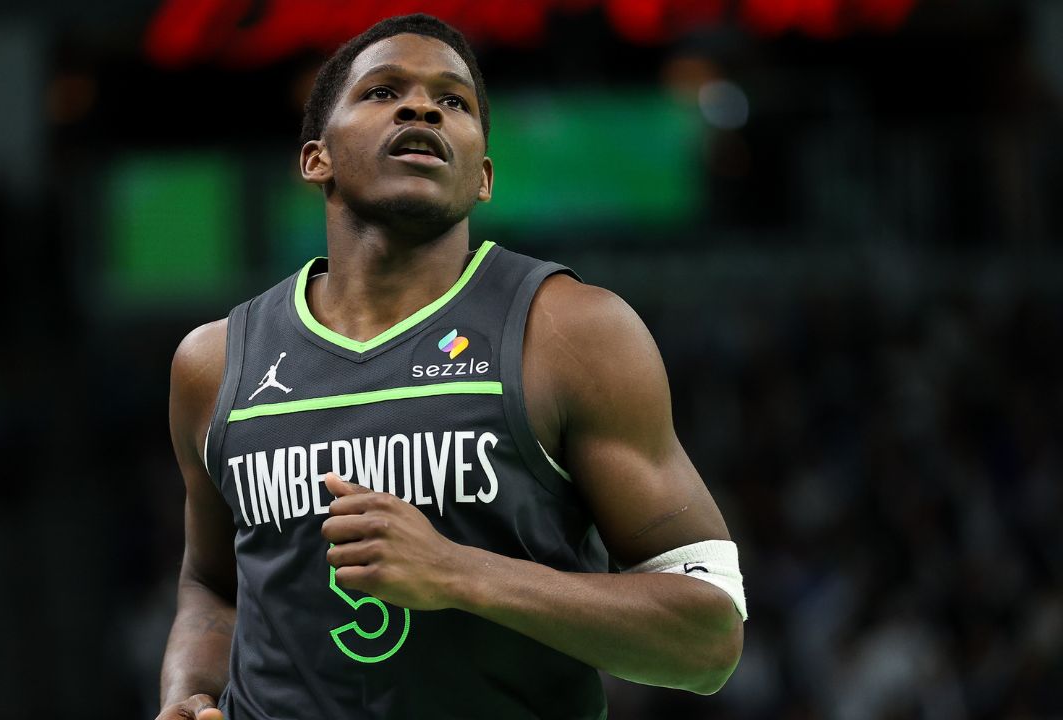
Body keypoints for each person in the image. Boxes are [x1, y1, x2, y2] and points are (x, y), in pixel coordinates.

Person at [156, 14, 746, 720]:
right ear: (317, 159)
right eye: (381, 92)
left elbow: (707, 639)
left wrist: (459, 571)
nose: (421, 106)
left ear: (484, 176)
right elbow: (211, 585)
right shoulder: (214, 362)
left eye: (454, 101)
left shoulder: (570, 332)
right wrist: (188, 693)